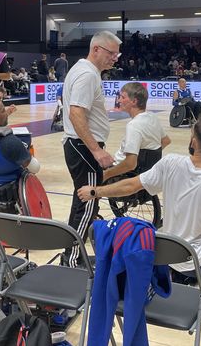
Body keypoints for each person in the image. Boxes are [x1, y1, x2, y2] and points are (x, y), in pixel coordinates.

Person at [78, 116, 201, 298]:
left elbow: (130, 185)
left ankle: (179, 279)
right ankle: (193, 289)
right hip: (195, 258)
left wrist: (95, 191)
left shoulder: (170, 163)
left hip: (168, 252)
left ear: (193, 141)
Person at [61, 30, 121, 267]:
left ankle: (71, 256)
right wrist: (96, 150)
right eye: (112, 53)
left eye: (117, 54)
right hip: (83, 147)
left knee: (82, 203)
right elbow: (76, 113)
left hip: (79, 145)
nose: (115, 58)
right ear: (96, 49)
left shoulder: (84, 71)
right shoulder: (87, 74)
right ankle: (72, 260)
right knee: (88, 203)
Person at [102, 82, 171, 182]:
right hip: (144, 174)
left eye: (122, 97)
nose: (119, 100)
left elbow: (130, 164)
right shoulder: (152, 117)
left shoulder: (134, 125)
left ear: (134, 101)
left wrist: (106, 174)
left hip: (124, 175)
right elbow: (166, 141)